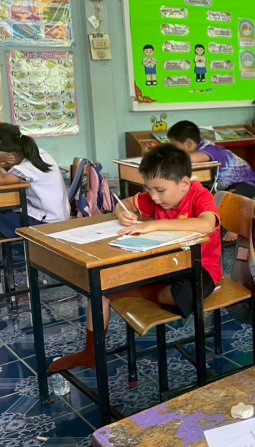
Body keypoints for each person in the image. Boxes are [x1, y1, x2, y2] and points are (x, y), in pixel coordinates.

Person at [49, 144, 221, 372]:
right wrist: (123, 213)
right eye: (149, 189)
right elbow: (128, 203)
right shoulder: (158, 196)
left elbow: (207, 224)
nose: (154, 197)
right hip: (163, 265)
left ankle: (140, 291)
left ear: (184, 183)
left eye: (159, 190)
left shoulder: (199, 195)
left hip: (202, 268)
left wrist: (154, 225)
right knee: (100, 287)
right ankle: (90, 353)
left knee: (181, 295)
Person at [0, 123, 69, 237]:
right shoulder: (38, 153)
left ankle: (17, 247)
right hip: (54, 214)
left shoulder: (27, 166)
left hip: (47, 221)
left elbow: (2, 180)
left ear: (12, 155)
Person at [167, 120, 255, 199]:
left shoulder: (210, 149)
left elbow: (191, 158)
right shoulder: (199, 149)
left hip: (245, 183)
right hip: (225, 186)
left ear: (188, 144)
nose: (174, 151)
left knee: (226, 202)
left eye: (175, 147)